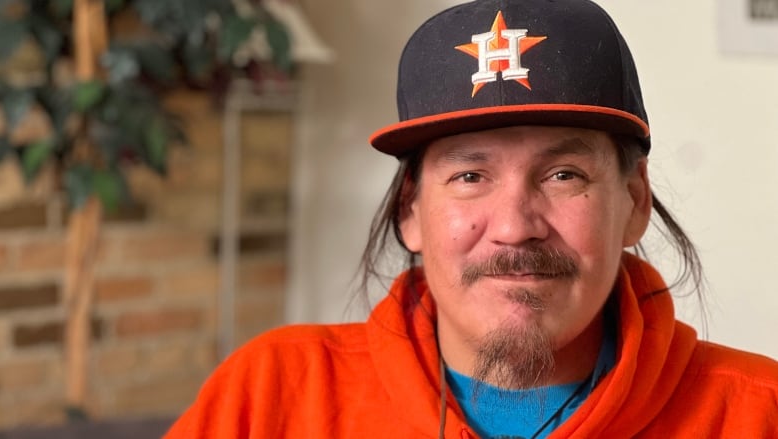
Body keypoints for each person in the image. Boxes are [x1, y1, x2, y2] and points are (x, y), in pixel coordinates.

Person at [165, 0, 778, 437]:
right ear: (410, 210)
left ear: (635, 203)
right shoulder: (272, 396)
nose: (514, 226)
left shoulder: (756, 414)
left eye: (563, 175)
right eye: (469, 176)